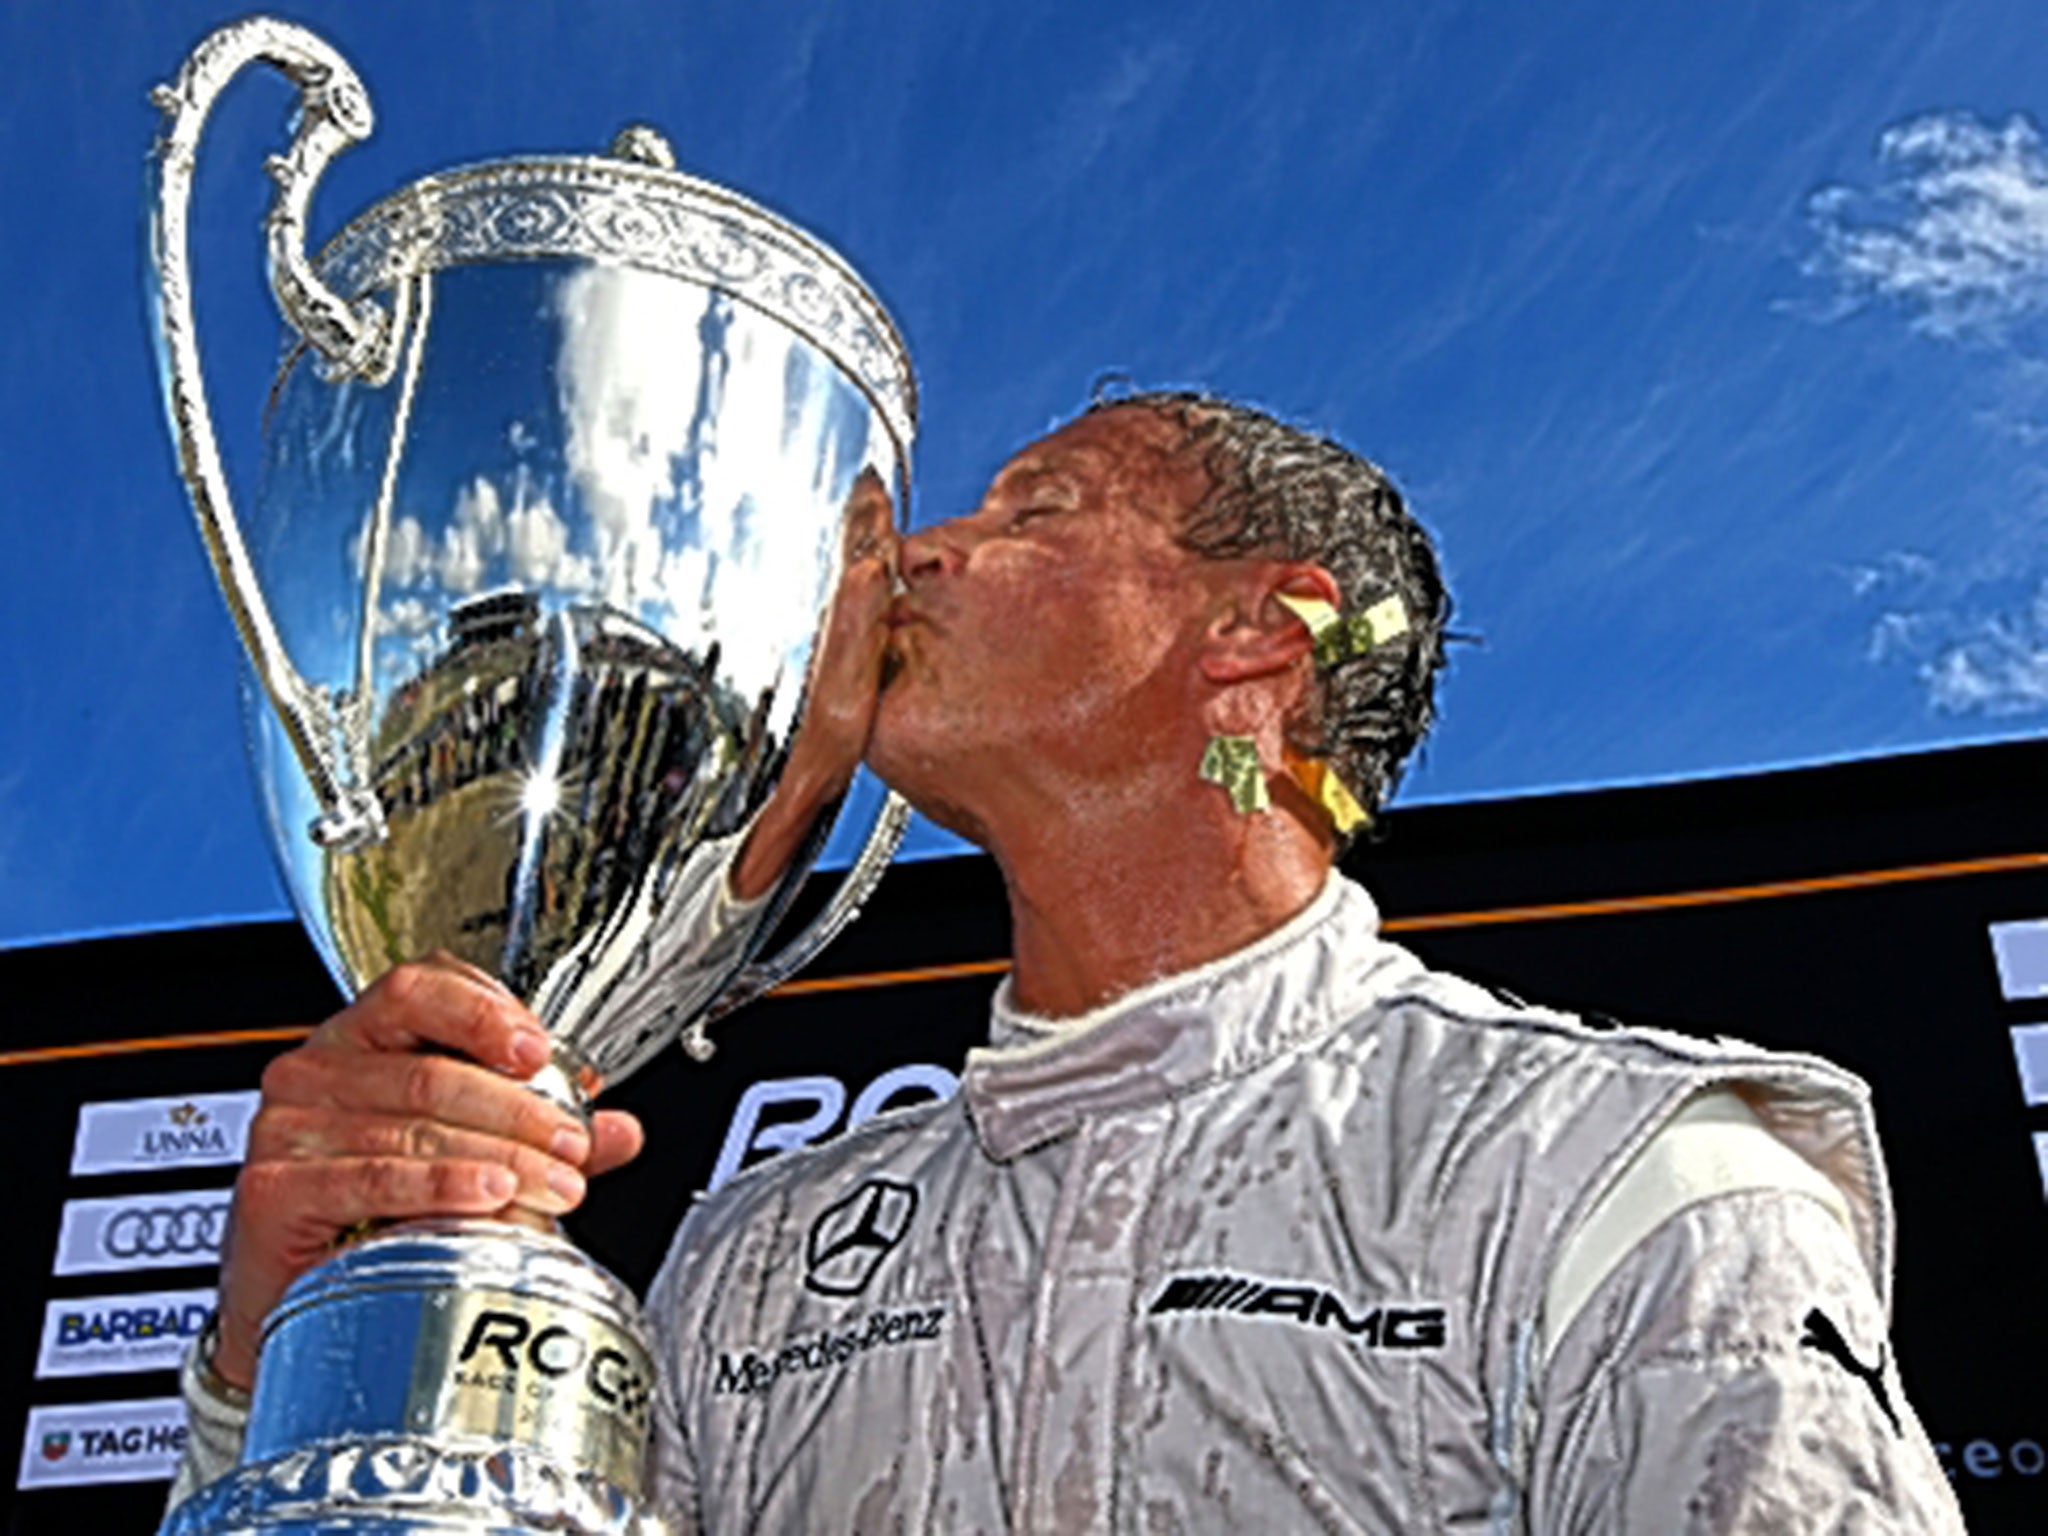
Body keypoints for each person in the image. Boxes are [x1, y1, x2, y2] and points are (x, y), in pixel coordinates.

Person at [169, 393, 1966, 1531]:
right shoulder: (741, 1265)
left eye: (1040, 509)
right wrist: (296, 1356)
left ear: (1255, 637)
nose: (920, 550)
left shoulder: (1618, 1175)